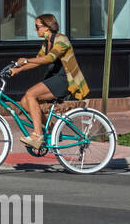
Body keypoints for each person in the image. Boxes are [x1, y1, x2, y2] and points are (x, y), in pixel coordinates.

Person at [8, 13, 89, 148]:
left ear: (47, 27)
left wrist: (26, 60)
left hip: (66, 79)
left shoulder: (61, 39)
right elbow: (38, 61)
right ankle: (50, 128)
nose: (35, 30)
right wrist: (18, 69)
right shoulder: (47, 42)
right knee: (24, 102)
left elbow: (49, 58)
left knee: (30, 94)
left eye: (37, 26)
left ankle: (37, 135)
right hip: (55, 78)